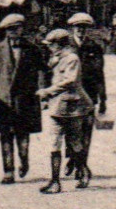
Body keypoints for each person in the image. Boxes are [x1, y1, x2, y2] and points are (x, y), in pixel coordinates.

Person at [0, 13, 45, 183]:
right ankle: (8, 171)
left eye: (15, 29)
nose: (11, 32)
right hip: (4, 101)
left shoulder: (32, 49)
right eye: (8, 30)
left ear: (21, 29)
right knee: (5, 136)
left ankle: (24, 160)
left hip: (25, 100)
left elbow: (41, 71)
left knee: (23, 136)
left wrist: (42, 92)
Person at [37, 29, 92, 193]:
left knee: (75, 143)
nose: (49, 48)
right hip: (56, 107)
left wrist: (48, 91)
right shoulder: (55, 59)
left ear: (59, 44)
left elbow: (70, 81)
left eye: (51, 45)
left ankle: (83, 171)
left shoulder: (72, 59)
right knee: (54, 143)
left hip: (73, 107)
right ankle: (55, 181)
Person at [67, 12, 107, 179]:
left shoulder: (94, 47)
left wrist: (103, 98)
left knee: (86, 132)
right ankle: (74, 159)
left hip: (89, 95)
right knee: (71, 131)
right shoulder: (65, 46)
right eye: (78, 27)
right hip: (69, 95)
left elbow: (99, 74)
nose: (81, 30)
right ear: (72, 28)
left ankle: (81, 165)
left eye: (84, 28)